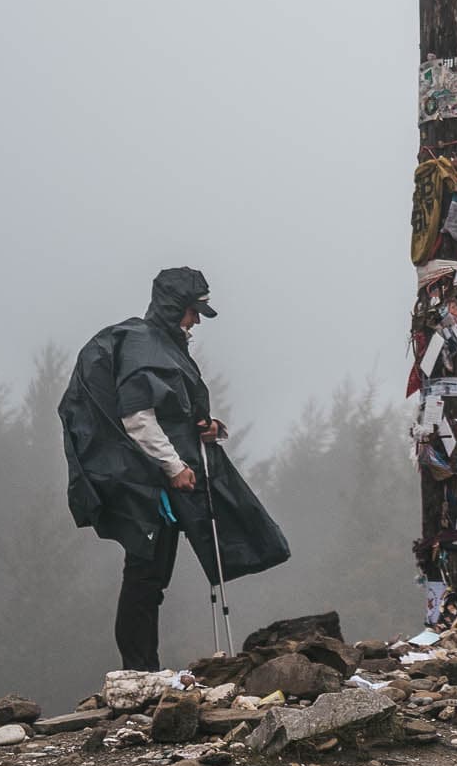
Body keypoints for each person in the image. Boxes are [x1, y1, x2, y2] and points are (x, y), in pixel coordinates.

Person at [58, 265, 288, 670]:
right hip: (153, 486)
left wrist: (210, 429)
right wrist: (174, 466)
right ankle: (139, 670)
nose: (196, 319)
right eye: (193, 311)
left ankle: (143, 669)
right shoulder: (145, 346)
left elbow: (169, 414)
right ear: (172, 306)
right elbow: (137, 418)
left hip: (160, 481)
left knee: (148, 578)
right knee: (145, 577)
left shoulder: (159, 344)